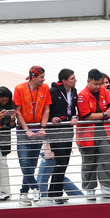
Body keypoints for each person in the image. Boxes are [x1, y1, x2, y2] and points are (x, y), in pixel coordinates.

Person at [40, 68, 82, 203]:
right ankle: (55, 194)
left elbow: (73, 109)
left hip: (68, 130)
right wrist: (52, 118)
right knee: (61, 162)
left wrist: (74, 116)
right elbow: (46, 109)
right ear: (64, 81)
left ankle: (54, 193)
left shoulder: (74, 91)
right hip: (56, 131)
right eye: (72, 78)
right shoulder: (53, 92)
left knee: (64, 162)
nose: (75, 80)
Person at [77, 68, 110, 197]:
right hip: (87, 133)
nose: (98, 86)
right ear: (88, 81)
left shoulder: (103, 91)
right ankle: (90, 189)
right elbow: (87, 115)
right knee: (88, 161)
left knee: (108, 156)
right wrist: (105, 114)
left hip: (104, 131)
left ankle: (108, 186)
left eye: (100, 84)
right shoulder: (82, 95)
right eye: (95, 84)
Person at [14, 66, 51, 203]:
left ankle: (23, 192)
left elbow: (46, 109)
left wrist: (42, 127)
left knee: (32, 163)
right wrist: (26, 130)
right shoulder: (20, 88)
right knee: (24, 161)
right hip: (23, 130)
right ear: (33, 77)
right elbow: (17, 111)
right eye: (41, 77)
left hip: (37, 129)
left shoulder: (45, 88)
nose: (44, 79)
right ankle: (35, 188)